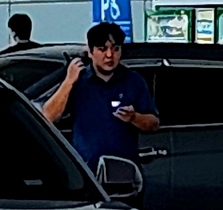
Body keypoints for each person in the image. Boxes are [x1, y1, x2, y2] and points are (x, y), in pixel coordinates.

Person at [41, 21, 159, 169]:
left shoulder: (133, 80)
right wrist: (68, 81)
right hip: (86, 171)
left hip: (124, 169)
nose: (110, 55)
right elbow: (48, 116)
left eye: (115, 49)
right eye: (102, 49)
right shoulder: (78, 81)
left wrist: (134, 117)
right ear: (90, 52)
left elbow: (153, 124)